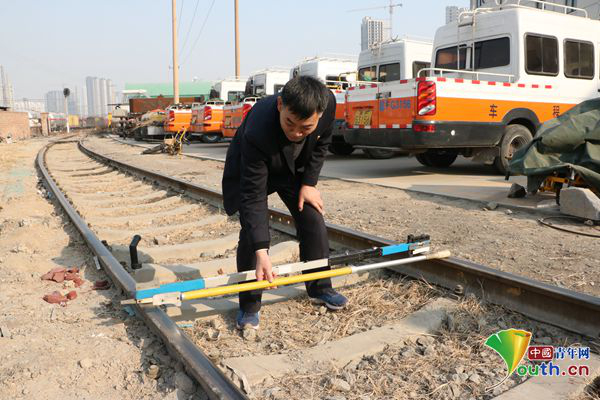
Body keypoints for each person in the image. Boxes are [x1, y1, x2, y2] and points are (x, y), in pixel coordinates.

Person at [222, 76, 348, 330]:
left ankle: (320, 287)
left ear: (319, 115)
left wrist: (309, 183)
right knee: (252, 233)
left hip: (293, 170)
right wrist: (262, 251)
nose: (296, 132)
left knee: (312, 217)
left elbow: (322, 144)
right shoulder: (257, 129)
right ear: (280, 105)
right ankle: (249, 305)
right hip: (256, 166)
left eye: (305, 128)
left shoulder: (328, 104)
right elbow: (253, 196)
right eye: (290, 123)